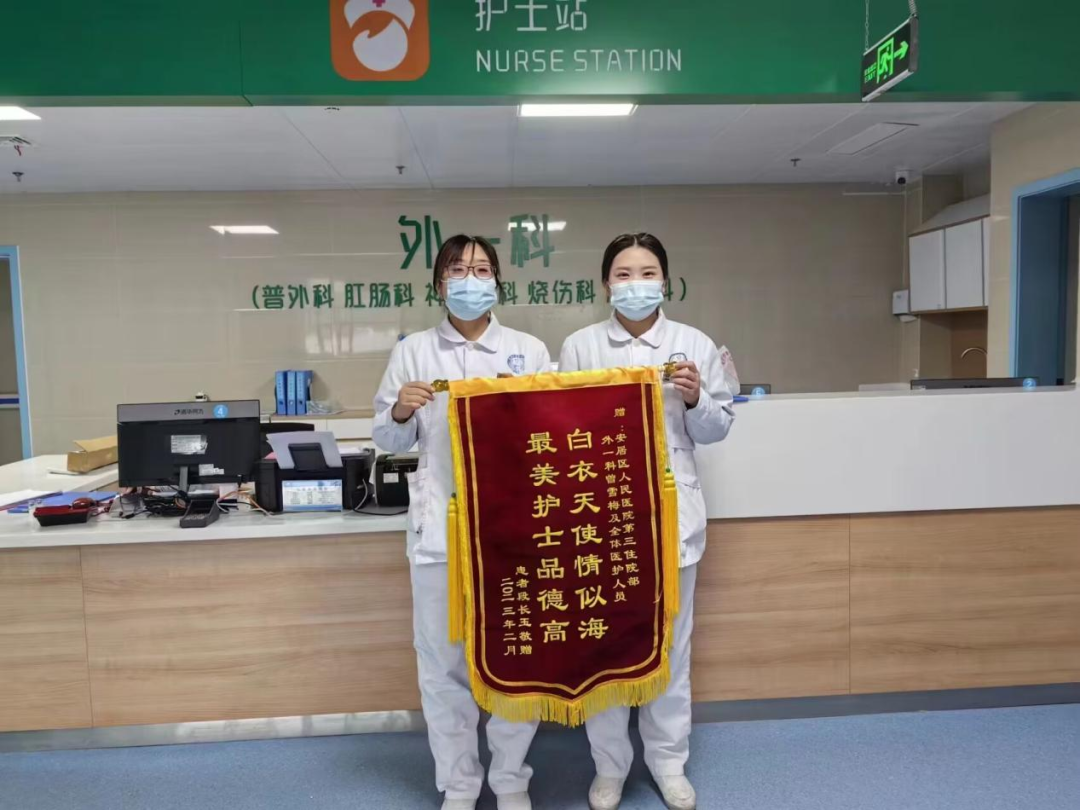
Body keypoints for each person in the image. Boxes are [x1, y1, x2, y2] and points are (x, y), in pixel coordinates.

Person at [558, 233, 736, 810]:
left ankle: (668, 764)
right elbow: (558, 428)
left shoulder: (693, 343)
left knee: (670, 650)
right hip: (601, 517)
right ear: (605, 284)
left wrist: (696, 398)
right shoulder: (581, 346)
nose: (636, 284)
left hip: (670, 517)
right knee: (606, 648)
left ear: (666, 281)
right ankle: (609, 768)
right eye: (624, 274)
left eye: (647, 272)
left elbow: (717, 428)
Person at [373, 235, 549, 810]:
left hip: (514, 529)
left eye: (481, 269)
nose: (470, 279)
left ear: (498, 281)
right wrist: (401, 408)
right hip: (440, 529)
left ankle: (511, 779)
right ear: (438, 283)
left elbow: (554, 431)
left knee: (516, 654)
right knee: (442, 665)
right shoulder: (413, 352)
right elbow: (388, 438)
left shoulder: (528, 350)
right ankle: (459, 783)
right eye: (458, 269)